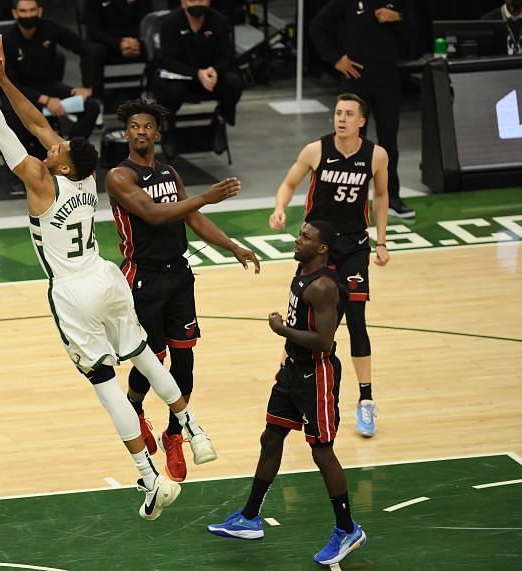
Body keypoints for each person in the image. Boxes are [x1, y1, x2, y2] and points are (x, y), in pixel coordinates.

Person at [0, 26, 230, 519]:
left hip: (74, 292)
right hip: (108, 278)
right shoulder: (84, 174)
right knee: (144, 357)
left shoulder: (41, 181)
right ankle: (193, 428)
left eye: (53, 151)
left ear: (60, 164)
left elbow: (2, 129)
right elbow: (36, 122)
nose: (47, 150)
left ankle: (149, 479)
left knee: (104, 382)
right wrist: (3, 75)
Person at [105, 98, 259, 482]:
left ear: (158, 132)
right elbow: (154, 214)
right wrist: (206, 196)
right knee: (151, 362)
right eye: (135, 126)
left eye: (148, 126)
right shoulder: (119, 177)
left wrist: (233, 246)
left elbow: (192, 216)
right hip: (143, 278)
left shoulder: (170, 173)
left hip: (179, 276)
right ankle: (135, 409)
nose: (141, 131)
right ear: (127, 133)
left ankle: (175, 434)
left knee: (185, 360)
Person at [207, 220, 367, 567]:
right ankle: (249, 518)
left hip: (316, 374)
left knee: (322, 451)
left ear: (322, 248)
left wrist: (282, 330)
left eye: (306, 237)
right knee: (271, 436)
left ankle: (347, 528)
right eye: (300, 234)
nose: (298, 240)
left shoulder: (324, 285)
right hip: (293, 371)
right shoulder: (303, 269)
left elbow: (325, 341)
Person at [268, 93, 390, 438]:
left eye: (349, 114)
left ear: (361, 121)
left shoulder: (376, 155)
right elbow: (290, 183)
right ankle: (287, 376)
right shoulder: (315, 150)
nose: (341, 118)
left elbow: (381, 197)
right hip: (317, 249)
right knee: (300, 316)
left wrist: (381, 241)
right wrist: (280, 208)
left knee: (355, 320)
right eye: (338, 113)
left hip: (352, 247)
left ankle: (366, 400)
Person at [310, 0, 416, 219]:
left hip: (388, 81)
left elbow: (416, 39)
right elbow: (317, 27)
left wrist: (398, 18)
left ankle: (391, 197)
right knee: (350, 143)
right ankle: (346, 201)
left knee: (389, 143)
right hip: (356, 83)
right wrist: (335, 59)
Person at [2, 0, 104, 156]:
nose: (28, 15)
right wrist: (46, 100)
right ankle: (24, 163)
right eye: (23, 11)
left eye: (32, 10)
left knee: (91, 107)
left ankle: (71, 153)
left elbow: (87, 49)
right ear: (15, 14)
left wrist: (89, 88)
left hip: (50, 86)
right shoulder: (8, 40)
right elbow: (10, 83)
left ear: (40, 11)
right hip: (20, 94)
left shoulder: (50, 28)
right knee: (11, 114)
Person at [154, 0, 243, 157]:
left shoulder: (219, 21)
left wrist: (214, 70)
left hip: (210, 76)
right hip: (181, 76)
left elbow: (227, 57)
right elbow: (169, 61)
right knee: (169, 91)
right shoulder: (170, 23)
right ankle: (168, 127)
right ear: (183, 2)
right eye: (192, 0)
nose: (197, 3)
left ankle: (221, 120)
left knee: (233, 82)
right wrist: (197, 73)